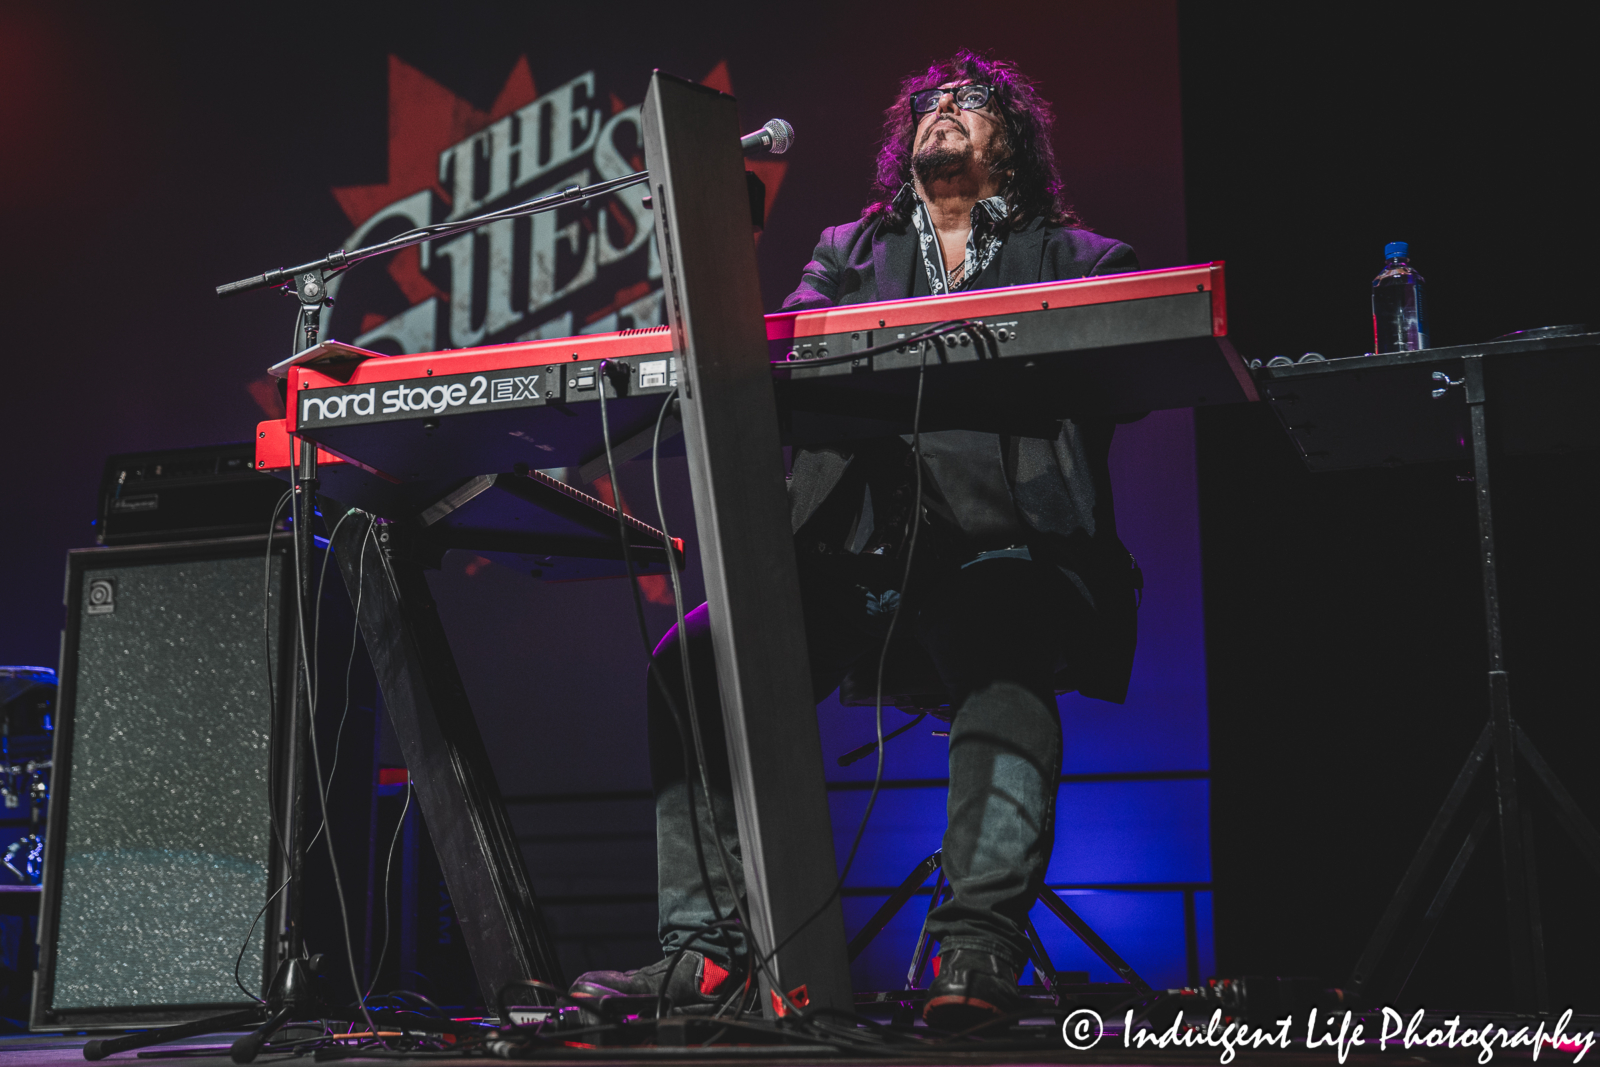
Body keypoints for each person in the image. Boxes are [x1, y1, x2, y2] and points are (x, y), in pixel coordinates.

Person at [571, 49, 1143, 1029]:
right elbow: (781, 348)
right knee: (693, 659)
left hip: (1003, 557)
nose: (942, 116)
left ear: (1015, 143)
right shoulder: (851, 245)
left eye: (968, 106)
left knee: (1002, 636)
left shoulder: (1076, 256)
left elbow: (1118, 355)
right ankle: (705, 953)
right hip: (857, 562)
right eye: (927, 107)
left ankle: (974, 947)